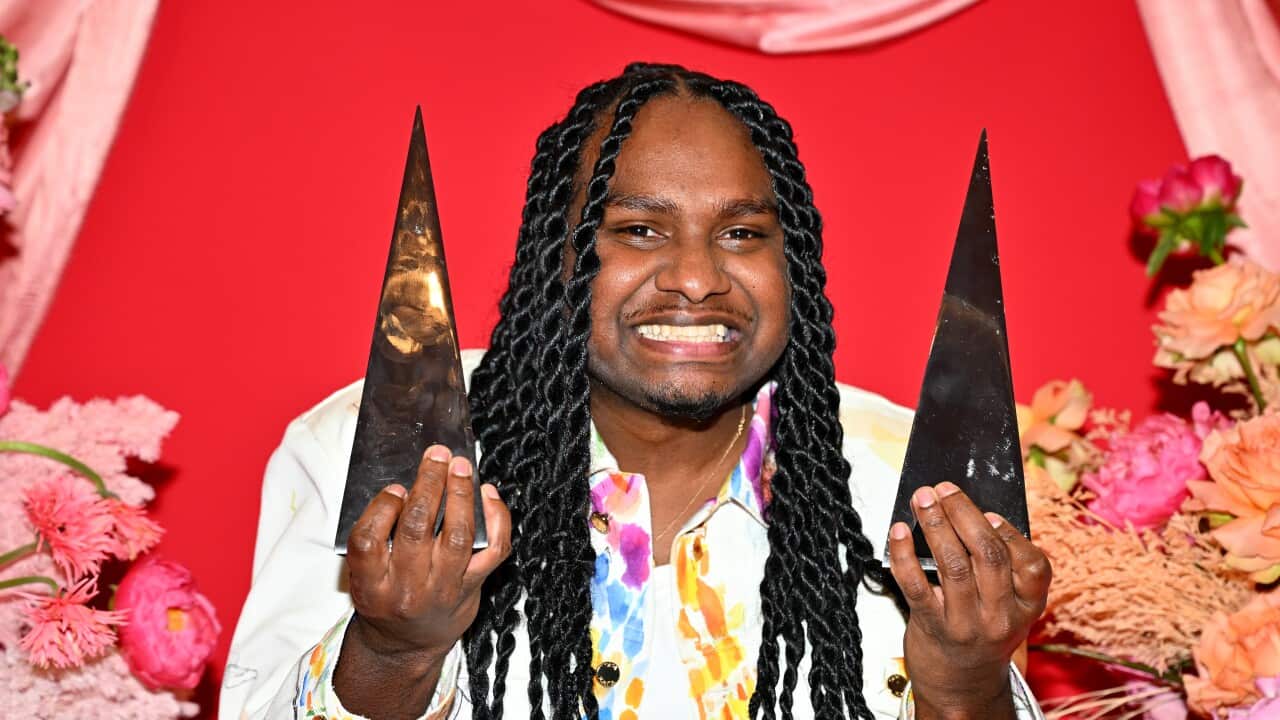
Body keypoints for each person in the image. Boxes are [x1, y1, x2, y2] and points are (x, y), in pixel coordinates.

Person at [221, 63, 1050, 720]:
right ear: (558, 255)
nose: (695, 278)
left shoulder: (915, 485)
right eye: (638, 230)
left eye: (741, 234)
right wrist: (395, 652)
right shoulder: (385, 445)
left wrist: (963, 687)